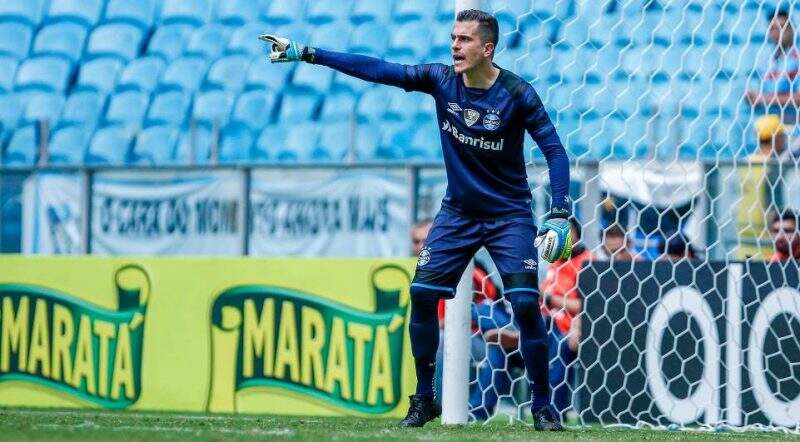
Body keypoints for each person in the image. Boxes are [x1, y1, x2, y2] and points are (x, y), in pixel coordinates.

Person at [262, 9, 573, 431]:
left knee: (523, 304)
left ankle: (542, 406)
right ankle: (424, 398)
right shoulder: (440, 80)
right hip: (458, 213)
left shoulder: (518, 94)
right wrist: (308, 53)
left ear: (488, 48)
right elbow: (379, 70)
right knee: (422, 295)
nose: (454, 47)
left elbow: (554, 151)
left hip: (509, 215)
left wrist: (559, 211)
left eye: (464, 40)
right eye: (452, 38)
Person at [745, 8, 800, 120]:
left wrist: (762, 99)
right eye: (772, 29)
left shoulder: (797, 59)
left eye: (781, 27)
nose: (777, 32)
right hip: (767, 127)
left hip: (792, 129)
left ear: (792, 30)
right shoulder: (768, 61)